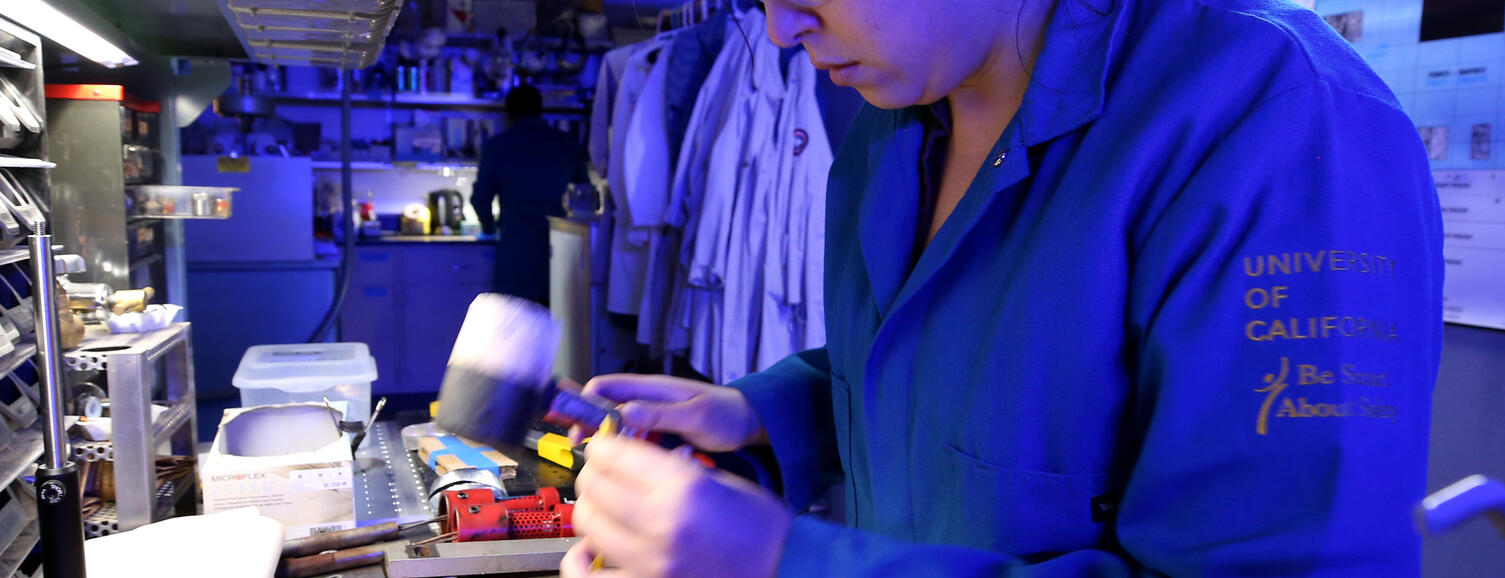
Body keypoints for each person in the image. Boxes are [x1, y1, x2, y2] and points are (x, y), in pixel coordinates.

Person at [561, 0, 1443, 576]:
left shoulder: (1271, 121)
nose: (781, 28)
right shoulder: (892, 129)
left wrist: (783, 562)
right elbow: (951, 362)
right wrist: (761, 416)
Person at [473, 85, 584, 305]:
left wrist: (489, 229)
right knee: (558, 328)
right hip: (558, 250)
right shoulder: (567, 144)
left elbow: (480, 199)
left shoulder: (497, 146)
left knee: (515, 329)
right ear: (541, 110)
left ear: (509, 113)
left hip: (515, 252)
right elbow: (583, 196)